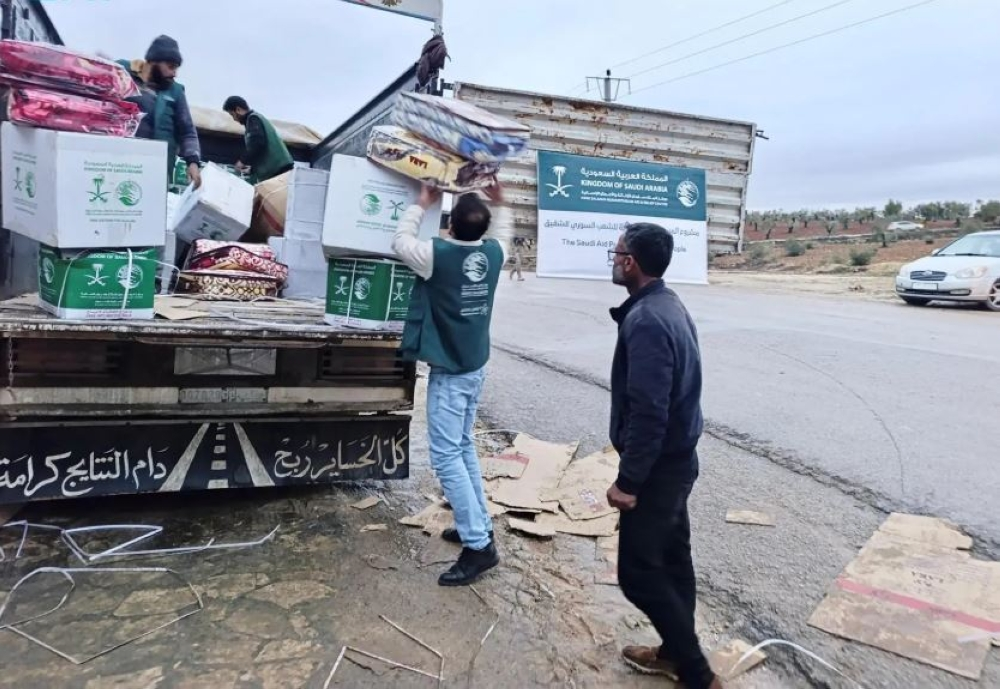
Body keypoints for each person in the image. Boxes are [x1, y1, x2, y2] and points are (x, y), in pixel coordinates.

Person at [606, 224, 724, 689]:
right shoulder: (665, 304)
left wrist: (629, 482)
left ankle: (698, 675)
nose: (613, 259)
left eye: (616, 252)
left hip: (659, 469)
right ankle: (675, 653)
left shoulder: (648, 321)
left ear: (630, 262)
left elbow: (649, 411)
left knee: (638, 574)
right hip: (676, 460)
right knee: (673, 560)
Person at [393, 182, 510, 587]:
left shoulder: (435, 256)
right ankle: (475, 524)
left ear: (450, 226)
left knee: (446, 458)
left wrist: (421, 202)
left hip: (450, 371)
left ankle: (479, 546)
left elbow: (400, 241)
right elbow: (504, 229)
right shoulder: (494, 253)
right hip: (474, 366)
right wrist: (500, 201)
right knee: (462, 446)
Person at [119, 36, 201, 189]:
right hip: (119, 163)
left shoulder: (176, 92)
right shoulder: (122, 73)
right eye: (171, 67)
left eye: (176, 68)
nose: (174, 73)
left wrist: (193, 162)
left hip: (156, 170)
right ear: (153, 61)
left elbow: (188, 131)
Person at [222, 96, 294, 184]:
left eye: (232, 115)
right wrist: (252, 169)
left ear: (238, 110)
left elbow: (258, 144)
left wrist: (242, 161)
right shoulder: (255, 119)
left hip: (279, 168)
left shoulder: (253, 119)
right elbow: (261, 151)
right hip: (278, 168)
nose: (234, 119)